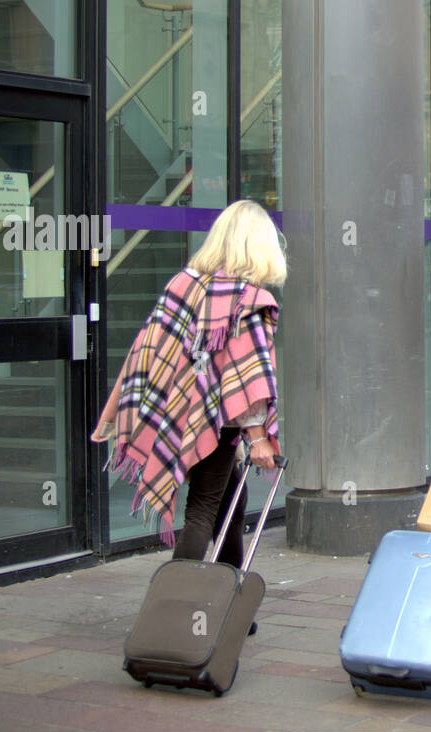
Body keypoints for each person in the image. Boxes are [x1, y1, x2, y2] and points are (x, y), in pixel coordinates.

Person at [91, 199, 285, 575]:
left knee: (232, 498)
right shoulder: (250, 299)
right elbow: (249, 376)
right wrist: (259, 437)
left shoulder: (184, 284)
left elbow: (147, 348)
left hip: (178, 411)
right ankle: (175, 605)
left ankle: (229, 596)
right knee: (202, 509)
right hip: (218, 420)